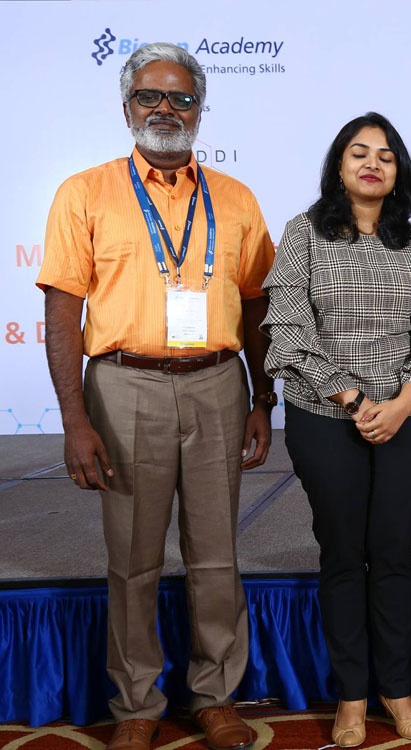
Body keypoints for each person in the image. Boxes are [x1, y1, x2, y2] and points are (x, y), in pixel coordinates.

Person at [37, 43, 275, 750]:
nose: (165, 109)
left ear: (200, 111)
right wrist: (74, 419)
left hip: (218, 385)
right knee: (133, 557)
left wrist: (263, 400)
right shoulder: (83, 193)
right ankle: (137, 704)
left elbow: (258, 306)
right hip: (123, 387)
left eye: (181, 98)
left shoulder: (236, 199)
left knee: (216, 554)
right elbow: (61, 312)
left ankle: (216, 696)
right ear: (126, 108)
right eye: (150, 96)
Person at [260, 112, 411, 749]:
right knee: (343, 554)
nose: (373, 163)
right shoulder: (304, 233)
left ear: (399, 172)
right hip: (324, 417)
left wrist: (403, 401)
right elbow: (289, 327)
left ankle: (396, 689)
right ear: (338, 166)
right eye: (359, 153)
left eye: (386, 156)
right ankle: (351, 694)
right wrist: (354, 398)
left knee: (393, 554)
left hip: (406, 419)